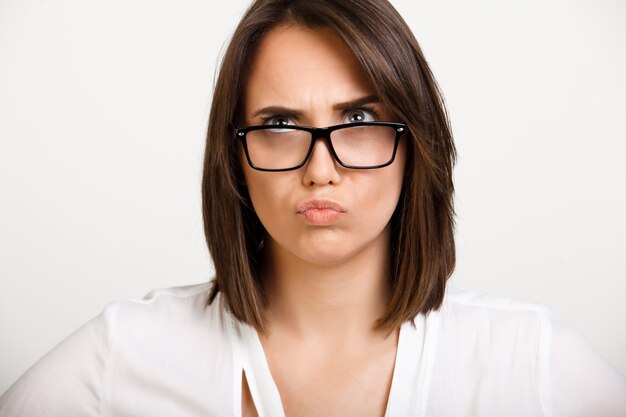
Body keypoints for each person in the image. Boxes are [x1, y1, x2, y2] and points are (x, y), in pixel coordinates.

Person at [1, 0, 624, 416]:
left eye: (358, 118)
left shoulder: (532, 364)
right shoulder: (125, 355)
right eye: (278, 123)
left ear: (416, 142)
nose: (319, 168)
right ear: (234, 157)